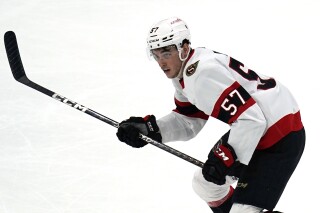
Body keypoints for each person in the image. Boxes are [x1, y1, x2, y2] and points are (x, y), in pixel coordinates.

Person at [116, 17, 305, 213]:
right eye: (156, 55)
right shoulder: (186, 72)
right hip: (260, 128)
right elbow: (189, 119)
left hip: (280, 135)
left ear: (184, 48)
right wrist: (152, 130)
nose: (161, 62)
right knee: (205, 184)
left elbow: (252, 120)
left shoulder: (202, 75)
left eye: (166, 52)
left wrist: (226, 159)